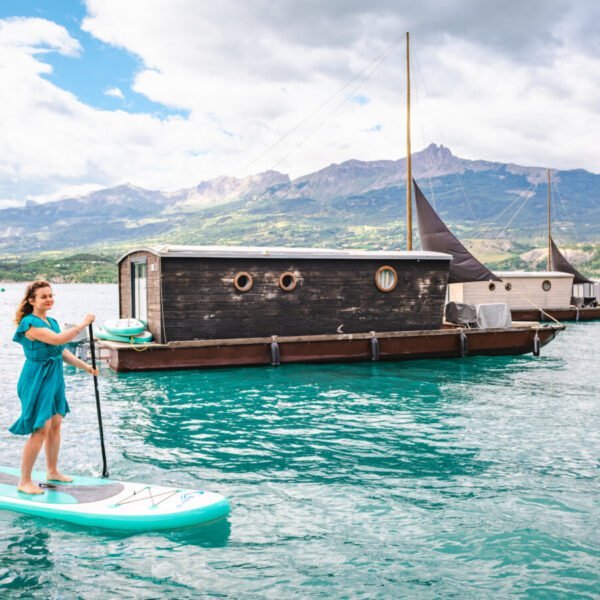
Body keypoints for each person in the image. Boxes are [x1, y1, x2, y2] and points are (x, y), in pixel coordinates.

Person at [11, 280, 98, 495]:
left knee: (56, 424)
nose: (49, 299)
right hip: (36, 378)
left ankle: (52, 471)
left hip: (54, 377)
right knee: (40, 429)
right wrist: (83, 324)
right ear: (32, 301)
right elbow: (59, 339)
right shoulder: (30, 324)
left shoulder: (51, 321)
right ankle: (24, 481)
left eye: (51, 295)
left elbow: (60, 350)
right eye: (43, 296)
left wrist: (84, 366)